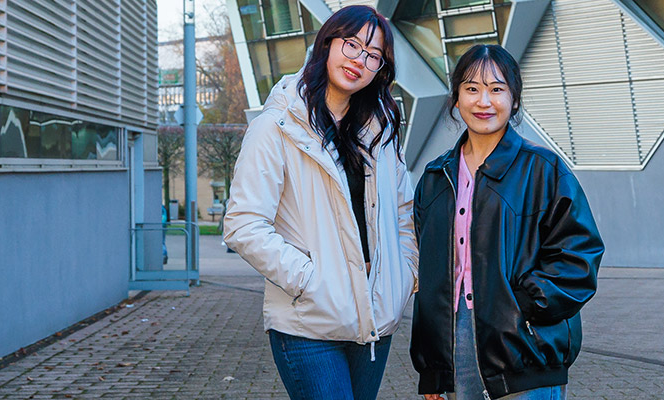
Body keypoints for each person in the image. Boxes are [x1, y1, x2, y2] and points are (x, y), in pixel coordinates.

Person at [221, 5, 416, 400]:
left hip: (375, 318)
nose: (359, 60)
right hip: (308, 323)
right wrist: (312, 281)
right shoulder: (275, 128)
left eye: (373, 55)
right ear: (327, 43)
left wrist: (404, 276)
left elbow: (403, 213)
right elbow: (243, 224)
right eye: (352, 45)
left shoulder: (380, 134)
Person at [411, 44, 604, 400]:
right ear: (456, 99)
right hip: (455, 348)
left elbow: (580, 255)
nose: (483, 101)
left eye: (496, 89)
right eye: (471, 89)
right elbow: (428, 274)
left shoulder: (544, 169)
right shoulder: (436, 178)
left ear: (514, 100)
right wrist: (433, 371)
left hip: (524, 349)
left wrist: (524, 307)